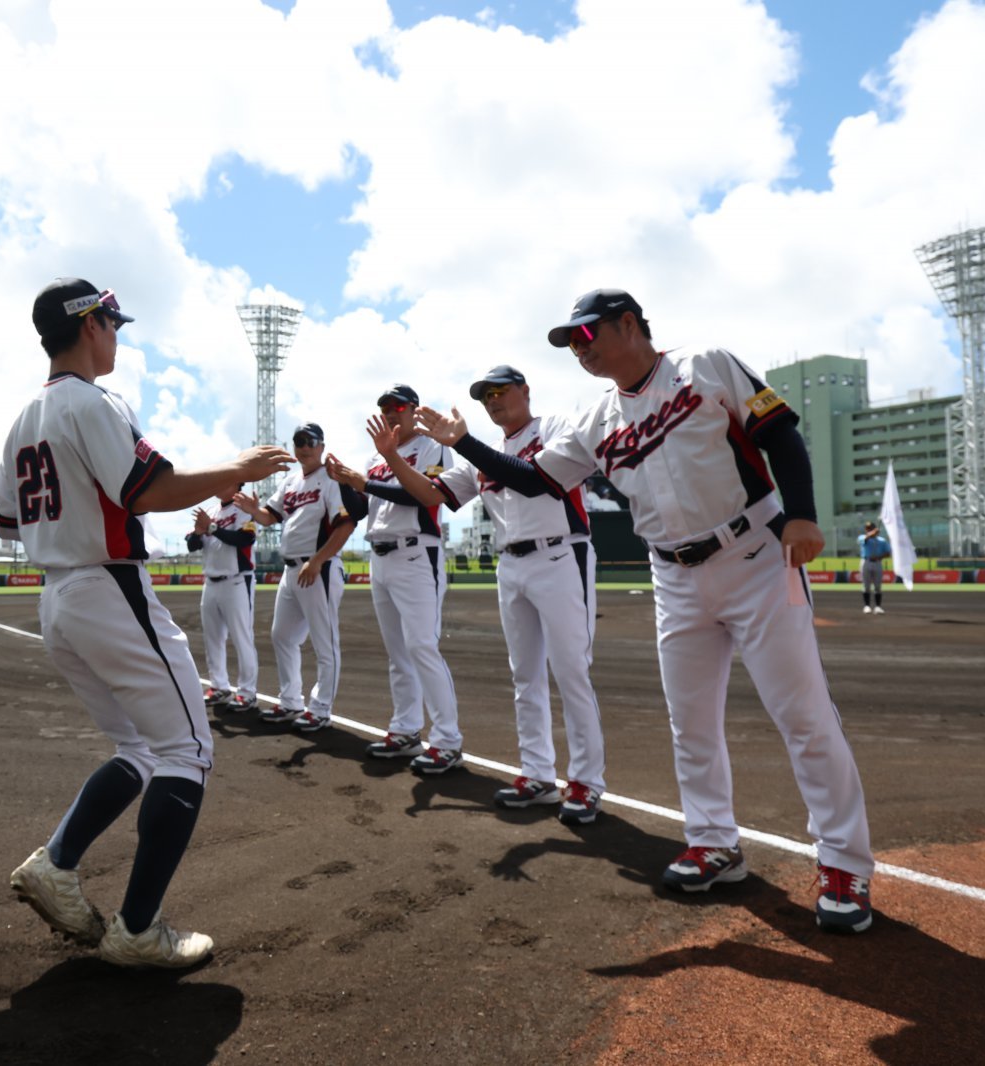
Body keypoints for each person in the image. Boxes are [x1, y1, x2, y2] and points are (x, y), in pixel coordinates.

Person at [415, 288, 874, 933]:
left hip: (755, 554)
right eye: (570, 343)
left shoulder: (704, 364)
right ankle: (713, 842)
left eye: (586, 335)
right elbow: (535, 480)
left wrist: (801, 513)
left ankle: (844, 862)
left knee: (803, 715)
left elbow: (779, 433)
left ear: (628, 324)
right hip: (673, 576)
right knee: (690, 722)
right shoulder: (595, 420)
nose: (578, 350)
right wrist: (464, 442)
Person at [0, 278, 292, 967]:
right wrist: (237, 468)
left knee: (139, 748)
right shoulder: (93, 401)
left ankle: (56, 864)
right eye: (112, 324)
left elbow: (9, 523)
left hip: (59, 598)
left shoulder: (23, 419)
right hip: (108, 586)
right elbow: (148, 492)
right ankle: (136, 929)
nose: (116, 336)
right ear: (90, 324)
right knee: (187, 751)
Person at [362, 365, 608, 822]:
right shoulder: (483, 454)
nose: (493, 400)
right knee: (524, 676)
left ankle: (586, 782)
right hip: (511, 563)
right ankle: (537, 774)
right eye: (485, 395)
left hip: (560, 554)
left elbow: (534, 478)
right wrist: (392, 458)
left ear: (525, 391)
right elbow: (430, 496)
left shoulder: (554, 426)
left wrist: (463, 443)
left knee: (571, 671)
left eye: (500, 391)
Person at [325, 385, 463, 775]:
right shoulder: (376, 457)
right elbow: (363, 509)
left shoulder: (433, 447)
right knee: (398, 652)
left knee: (422, 646)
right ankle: (405, 730)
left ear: (414, 410)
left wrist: (367, 478)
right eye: (385, 407)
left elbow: (422, 496)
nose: (389, 412)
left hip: (417, 552)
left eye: (397, 406)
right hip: (381, 556)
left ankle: (448, 741)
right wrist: (344, 482)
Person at [232, 423, 366, 733]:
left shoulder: (331, 479)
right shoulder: (291, 481)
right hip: (291, 570)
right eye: (299, 441)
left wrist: (318, 561)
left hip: (319, 568)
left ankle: (320, 709)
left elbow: (346, 525)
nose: (304, 447)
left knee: (325, 643)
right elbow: (270, 517)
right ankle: (291, 701)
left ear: (322, 446)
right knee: (282, 636)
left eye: (310, 441)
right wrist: (254, 510)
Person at [186, 487, 260, 711]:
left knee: (242, 637)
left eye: (224, 480)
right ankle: (219, 686)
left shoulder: (244, 509)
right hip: (210, 582)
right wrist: (198, 532)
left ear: (236, 483)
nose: (218, 484)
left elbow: (245, 539)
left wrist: (212, 527)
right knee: (213, 638)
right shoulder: (211, 511)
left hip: (236, 580)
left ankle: (247, 692)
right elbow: (192, 546)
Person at [858, 521, 891, 615]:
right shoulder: (862, 537)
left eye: (871, 528)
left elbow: (888, 553)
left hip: (877, 563)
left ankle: (878, 607)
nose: (869, 530)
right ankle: (867, 606)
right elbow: (865, 540)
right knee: (866, 585)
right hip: (866, 562)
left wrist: (879, 557)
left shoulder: (882, 540)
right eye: (867, 528)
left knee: (878, 586)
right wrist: (873, 533)